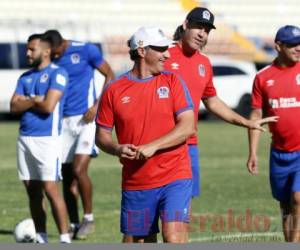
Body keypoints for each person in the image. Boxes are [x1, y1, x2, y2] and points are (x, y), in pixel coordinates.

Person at [164, 7, 278, 199]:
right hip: (159, 142)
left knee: (182, 211)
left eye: (207, 30)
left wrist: (246, 122)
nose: (202, 34)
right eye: (198, 27)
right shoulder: (163, 55)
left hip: (187, 145)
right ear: (185, 25)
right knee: (150, 213)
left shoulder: (204, 63)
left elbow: (212, 101)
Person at [96, 26, 195, 243]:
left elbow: (188, 126)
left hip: (175, 175)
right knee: (140, 241)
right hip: (136, 182)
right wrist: (117, 149)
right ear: (141, 51)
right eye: (160, 49)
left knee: (174, 237)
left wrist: (154, 146)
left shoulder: (173, 82)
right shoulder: (114, 90)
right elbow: (101, 136)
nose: (167, 54)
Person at [43, 30, 115, 239]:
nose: (54, 56)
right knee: (66, 176)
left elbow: (110, 74)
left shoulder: (86, 50)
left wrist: (97, 105)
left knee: (78, 169)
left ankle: (89, 218)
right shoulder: (51, 58)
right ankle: (74, 223)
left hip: (86, 120)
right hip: (63, 123)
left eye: (55, 52)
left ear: (62, 45)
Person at [10, 34, 71, 243]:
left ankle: (64, 239)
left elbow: (48, 107)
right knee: (33, 192)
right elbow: (13, 106)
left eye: (31, 49)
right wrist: (34, 99)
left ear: (45, 51)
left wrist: (27, 101)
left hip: (47, 140)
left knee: (51, 189)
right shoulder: (25, 77)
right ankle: (41, 237)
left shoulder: (58, 74)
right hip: (24, 139)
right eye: (27, 49)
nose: (27, 53)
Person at [247, 25, 300, 242]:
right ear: (278, 46)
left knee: (298, 198)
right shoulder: (262, 78)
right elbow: (255, 116)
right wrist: (252, 152)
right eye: (293, 45)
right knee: (285, 203)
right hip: (279, 152)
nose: (298, 49)